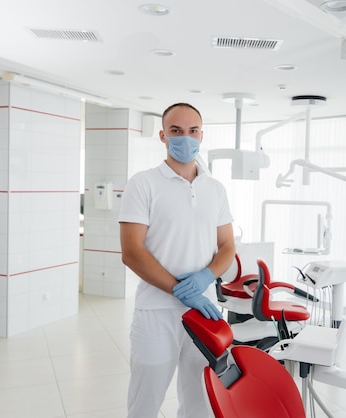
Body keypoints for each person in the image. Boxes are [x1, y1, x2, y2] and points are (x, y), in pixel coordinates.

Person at [118, 102, 235, 418]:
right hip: (156, 312)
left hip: (205, 312)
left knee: (201, 402)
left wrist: (205, 278)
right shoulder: (143, 183)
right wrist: (178, 289)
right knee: (145, 402)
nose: (186, 138)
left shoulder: (215, 189)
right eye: (176, 131)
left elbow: (227, 247)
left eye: (193, 131)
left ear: (202, 135)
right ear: (162, 136)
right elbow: (132, 252)